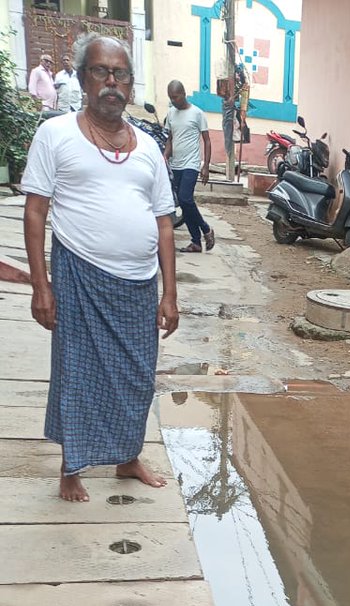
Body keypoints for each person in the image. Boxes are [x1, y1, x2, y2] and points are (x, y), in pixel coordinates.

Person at [20, 32, 179, 503]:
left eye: (120, 74)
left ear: (130, 84)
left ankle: (127, 458)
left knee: (136, 375)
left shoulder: (148, 146)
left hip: (138, 284)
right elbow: (35, 212)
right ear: (84, 78)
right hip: (79, 275)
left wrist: (170, 294)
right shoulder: (56, 133)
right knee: (77, 373)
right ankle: (72, 467)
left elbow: (165, 224)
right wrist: (41, 286)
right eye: (101, 72)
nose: (112, 82)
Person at [164, 79, 215, 254]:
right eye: (171, 98)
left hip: (191, 164)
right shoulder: (171, 113)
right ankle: (196, 242)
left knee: (185, 199)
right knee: (185, 204)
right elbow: (170, 138)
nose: (173, 101)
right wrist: (165, 156)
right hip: (176, 164)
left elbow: (207, 141)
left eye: (176, 97)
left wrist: (206, 166)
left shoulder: (197, 113)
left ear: (184, 94)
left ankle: (206, 229)